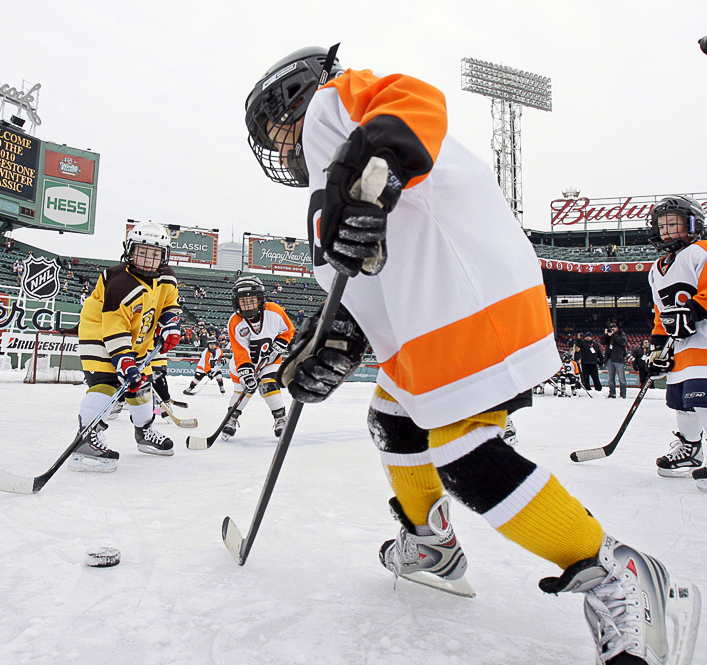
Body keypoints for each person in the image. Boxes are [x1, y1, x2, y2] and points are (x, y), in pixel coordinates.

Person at [244, 46, 700, 663]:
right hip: (436, 317)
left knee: (464, 455)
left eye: (270, 127)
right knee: (392, 419)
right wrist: (333, 340)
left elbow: (416, 102)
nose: (274, 144)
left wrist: (368, 167)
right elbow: (367, 278)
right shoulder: (331, 164)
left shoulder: (338, 104)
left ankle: (615, 570)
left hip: (465, 303)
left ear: (291, 101)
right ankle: (429, 542)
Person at [70, 221, 181, 472]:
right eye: (141, 251)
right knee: (107, 382)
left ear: (164, 256)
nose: (147, 259)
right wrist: (124, 362)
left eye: (154, 253)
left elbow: (169, 306)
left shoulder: (168, 278)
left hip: (138, 337)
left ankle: (144, 431)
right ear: (129, 251)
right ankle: (87, 436)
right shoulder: (119, 282)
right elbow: (114, 328)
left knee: (141, 384)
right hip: (100, 334)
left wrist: (170, 324)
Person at [644, 196, 707, 481]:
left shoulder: (701, 251)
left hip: (704, 340)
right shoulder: (656, 269)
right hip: (681, 346)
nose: (667, 230)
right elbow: (661, 311)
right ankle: (690, 449)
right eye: (662, 225)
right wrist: (658, 346)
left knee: (702, 396)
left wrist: (694, 310)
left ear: (692, 224)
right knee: (681, 399)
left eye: (674, 224)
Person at [223, 275, 294, 439]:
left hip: (270, 361)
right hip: (245, 363)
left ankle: (281, 418)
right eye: (243, 301)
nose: (247, 305)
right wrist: (246, 372)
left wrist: (280, 344)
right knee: (244, 390)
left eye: (252, 300)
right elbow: (240, 350)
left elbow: (288, 330)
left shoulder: (274, 310)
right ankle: (231, 418)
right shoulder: (235, 321)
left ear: (260, 299)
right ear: (236, 302)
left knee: (268, 385)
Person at [601, 322, 628, 398]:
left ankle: (623, 394)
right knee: (611, 378)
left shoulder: (621, 334)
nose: (612, 330)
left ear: (617, 328)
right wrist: (606, 335)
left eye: (613, 328)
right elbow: (602, 342)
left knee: (621, 378)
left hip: (618, 358)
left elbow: (622, 342)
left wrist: (613, 335)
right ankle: (612, 393)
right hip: (609, 358)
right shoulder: (609, 336)